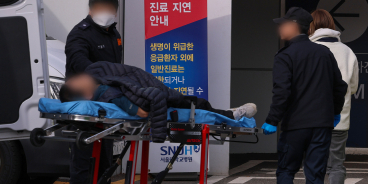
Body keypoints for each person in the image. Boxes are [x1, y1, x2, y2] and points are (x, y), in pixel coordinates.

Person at [262, 7, 348, 184]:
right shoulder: (324, 53)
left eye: (283, 24)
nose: (280, 28)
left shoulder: (284, 56)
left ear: (294, 26)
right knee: (315, 177)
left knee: (286, 170)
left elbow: (282, 92)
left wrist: (272, 120)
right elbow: (339, 87)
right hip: (321, 125)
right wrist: (334, 113)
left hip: (295, 126)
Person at [63, 0, 123, 184]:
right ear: (92, 9)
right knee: (85, 164)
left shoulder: (113, 34)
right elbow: (81, 65)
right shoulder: (80, 35)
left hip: (106, 106)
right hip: (84, 104)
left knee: (105, 164)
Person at [309, 9, 359, 184]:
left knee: (314, 165)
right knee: (336, 165)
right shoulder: (347, 51)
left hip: (311, 120)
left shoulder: (309, 50)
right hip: (340, 118)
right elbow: (354, 87)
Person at [59, 67, 256, 121]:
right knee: (197, 104)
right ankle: (232, 115)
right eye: (77, 81)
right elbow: (142, 113)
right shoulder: (105, 93)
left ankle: (228, 113)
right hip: (161, 103)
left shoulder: (103, 89)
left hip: (155, 97)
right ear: (85, 95)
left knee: (196, 103)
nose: (82, 76)